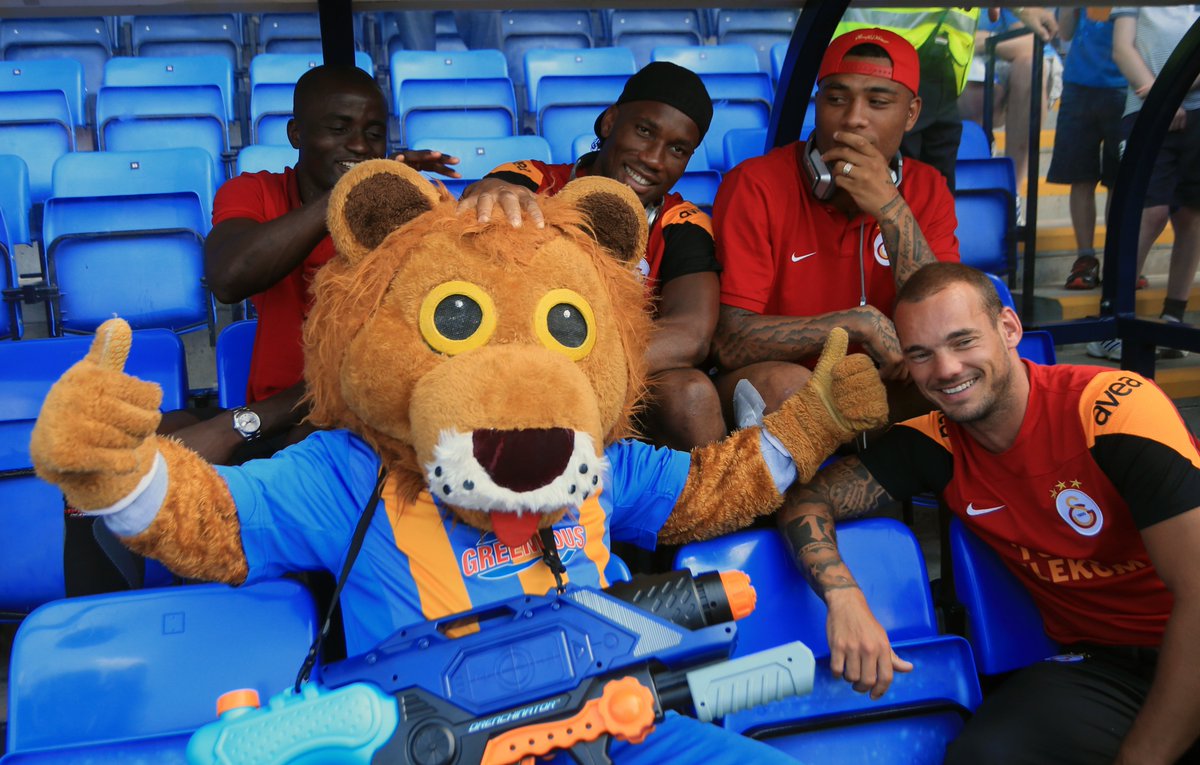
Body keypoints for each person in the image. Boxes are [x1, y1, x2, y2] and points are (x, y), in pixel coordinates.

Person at [778, 261, 1200, 764]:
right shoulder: (932, 443)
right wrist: (844, 598)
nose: (947, 369)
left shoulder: (1112, 412)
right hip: (1103, 668)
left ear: (1009, 328)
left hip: (1186, 647)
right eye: (921, 354)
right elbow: (806, 500)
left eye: (963, 341)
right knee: (982, 756)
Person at [179, 64, 461, 465]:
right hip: (273, 420)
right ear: (297, 134)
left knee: (306, 451)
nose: (361, 146)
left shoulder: (405, 216)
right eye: (339, 128)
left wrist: (381, 192)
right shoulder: (254, 191)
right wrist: (344, 195)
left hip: (354, 424)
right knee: (143, 446)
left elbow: (388, 367)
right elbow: (229, 278)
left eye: (374, 133)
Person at [457, 61, 725, 452]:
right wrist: (490, 192)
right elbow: (491, 190)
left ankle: (708, 509)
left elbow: (690, 336)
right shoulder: (537, 179)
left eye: (677, 149)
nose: (653, 158)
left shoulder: (682, 222)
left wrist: (577, 372)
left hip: (614, 386)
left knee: (692, 392)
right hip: (515, 372)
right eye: (644, 131)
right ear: (609, 122)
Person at [712, 28, 960, 423]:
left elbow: (948, 324)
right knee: (788, 386)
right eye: (836, 99)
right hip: (790, 391)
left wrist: (890, 208)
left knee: (965, 376)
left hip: (884, 386)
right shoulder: (754, 184)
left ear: (912, 113)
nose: (854, 119)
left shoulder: (927, 188)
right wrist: (852, 325)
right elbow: (729, 343)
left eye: (878, 102)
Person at [1086, 4, 1200, 362]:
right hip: (1146, 106)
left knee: (1193, 216)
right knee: (1149, 213)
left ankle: (1173, 319)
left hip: (1196, 111)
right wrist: (1160, 96)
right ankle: (1111, 323)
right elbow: (1123, 47)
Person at [1055, 8, 1129, 291]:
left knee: (1118, 180)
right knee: (1081, 176)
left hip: (1125, 85)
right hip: (1079, 84)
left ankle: (1119, 258)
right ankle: (1085, 257)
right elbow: (1066, 32)